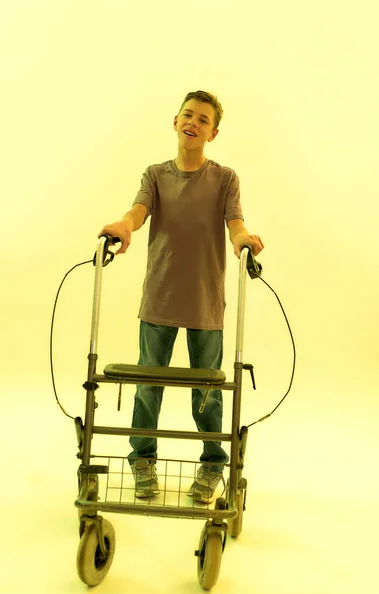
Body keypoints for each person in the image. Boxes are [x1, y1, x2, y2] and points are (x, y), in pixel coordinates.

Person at [99, 90, 264, 503]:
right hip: (159, 299)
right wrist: (123, 226)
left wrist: (243, 238)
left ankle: (212, 465)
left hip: (206, 303)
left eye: (203, 119)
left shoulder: (225, 179)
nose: (193, 122)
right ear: (175, 121)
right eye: (187, 115)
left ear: (214, 132)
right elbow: (138, 211)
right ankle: (143, 459)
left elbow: (235, 222)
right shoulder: (156, 175)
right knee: (147, 387)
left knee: (206, 393)